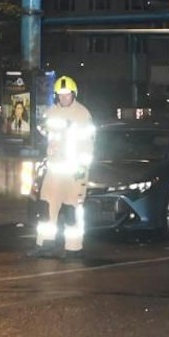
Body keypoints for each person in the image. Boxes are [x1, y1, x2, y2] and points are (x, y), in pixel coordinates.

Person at [34, 75, 95, 256]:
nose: (63, 98)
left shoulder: (83, 114)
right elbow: (43, 130)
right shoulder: (52, 111)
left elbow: (89, 145)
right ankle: (45, 244)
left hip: (74, 173)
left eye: (67, 94)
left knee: (72, 211)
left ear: (74, 94)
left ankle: (73, 248)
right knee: (46, 208)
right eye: (60, 95)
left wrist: (82, 169)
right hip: (54, 171)